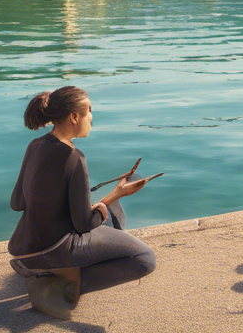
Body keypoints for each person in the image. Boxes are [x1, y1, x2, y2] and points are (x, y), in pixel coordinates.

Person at [9, 87, 157, 319]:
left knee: (112, 209)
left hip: (23, 246)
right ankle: (56, 286)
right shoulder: (74, 157)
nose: (91, 117)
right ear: (74, 117)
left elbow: (17, 202)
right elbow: (83, 225)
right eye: (89, 110)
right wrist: (110, 200)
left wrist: (111, 197)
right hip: (56, 247)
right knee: (144, 259)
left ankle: (47, 272)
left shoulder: (35, 145)